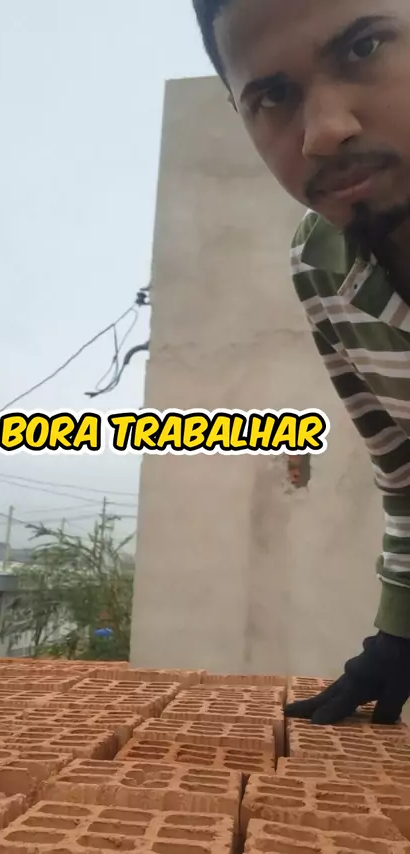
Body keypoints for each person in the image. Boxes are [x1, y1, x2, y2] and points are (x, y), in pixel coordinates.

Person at [192, 0, 410, 725]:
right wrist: (400, 630)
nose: (323, 132)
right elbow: (403, 470)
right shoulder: (321, 266)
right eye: (273, 96)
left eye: (364, 49)